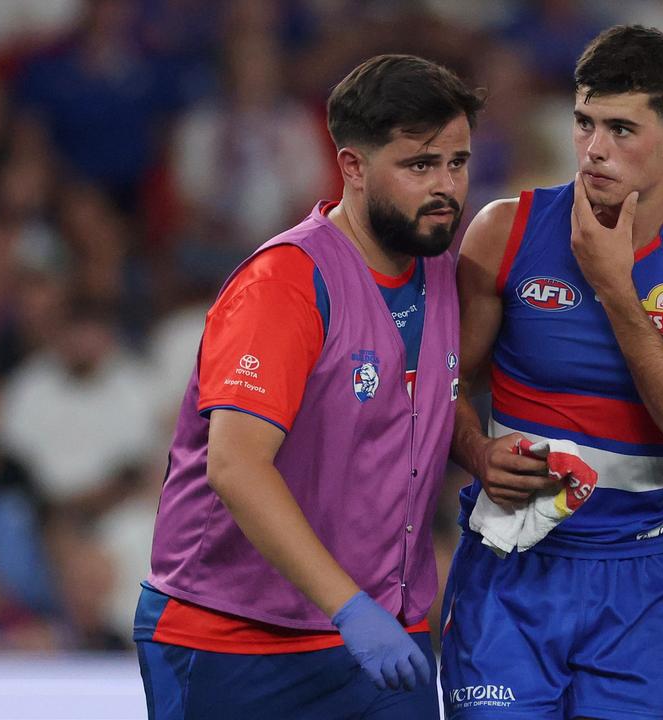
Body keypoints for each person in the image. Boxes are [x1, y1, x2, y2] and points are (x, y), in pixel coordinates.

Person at [441, 25, 663, 720]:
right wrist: (476, 450)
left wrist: (618, 291)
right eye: (584, 122)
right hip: (510, 573)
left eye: (622, 129)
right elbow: (444, 388)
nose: (595, 149)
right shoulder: (503, 230)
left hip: (639, 584)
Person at [133, 55, 482, 719]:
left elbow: (426, 391)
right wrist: (349, 607)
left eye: (457, 163)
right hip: (234, 639)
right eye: (419, 165)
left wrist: (484, 453)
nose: (446, 187)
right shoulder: (286, 284)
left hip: (382, 633)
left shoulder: (439, 269)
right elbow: (236, 465)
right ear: (351, 166)